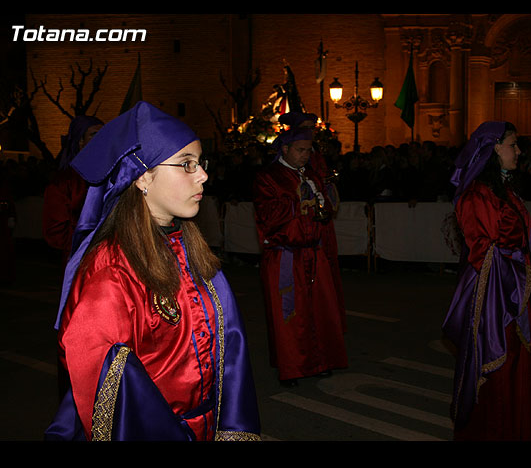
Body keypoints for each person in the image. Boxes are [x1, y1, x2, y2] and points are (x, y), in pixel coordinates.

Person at [45, 101, 261, 441]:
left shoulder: (189, 249)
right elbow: (103, 372)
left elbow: (229, 348)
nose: (203, 174)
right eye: (186, 164)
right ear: (143, 176)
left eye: (200, 163)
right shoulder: (112, 268)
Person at [442, 121, 531, 441]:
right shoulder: (478, 195)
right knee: (500, 368)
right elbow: (484, 253)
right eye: (513, 145)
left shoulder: (505, 191)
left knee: (520, 364)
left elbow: (527, 240)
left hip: (514, 289)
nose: (519, 151)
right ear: (492, 150)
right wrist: (525, 279)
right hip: (495, 296)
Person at [253, 111, 348, 387]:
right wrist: (299, 203)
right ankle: (292, 366)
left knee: (318, 310)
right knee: (290, 315)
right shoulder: (268, 177)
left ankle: (318, 361)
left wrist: (323, 200)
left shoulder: (310, 175)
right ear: (285, 149)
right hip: (285, 255)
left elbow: (325, 209)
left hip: (313, 252)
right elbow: (268, 214)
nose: (306, 155)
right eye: (301, 150)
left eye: (308, 150)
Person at [42, 115, 104, 265]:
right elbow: (55, 232)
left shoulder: (112, 174)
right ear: (80, 142)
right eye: (94, 134)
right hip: (80, 260)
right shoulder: (65, 181)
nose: (101, 139)